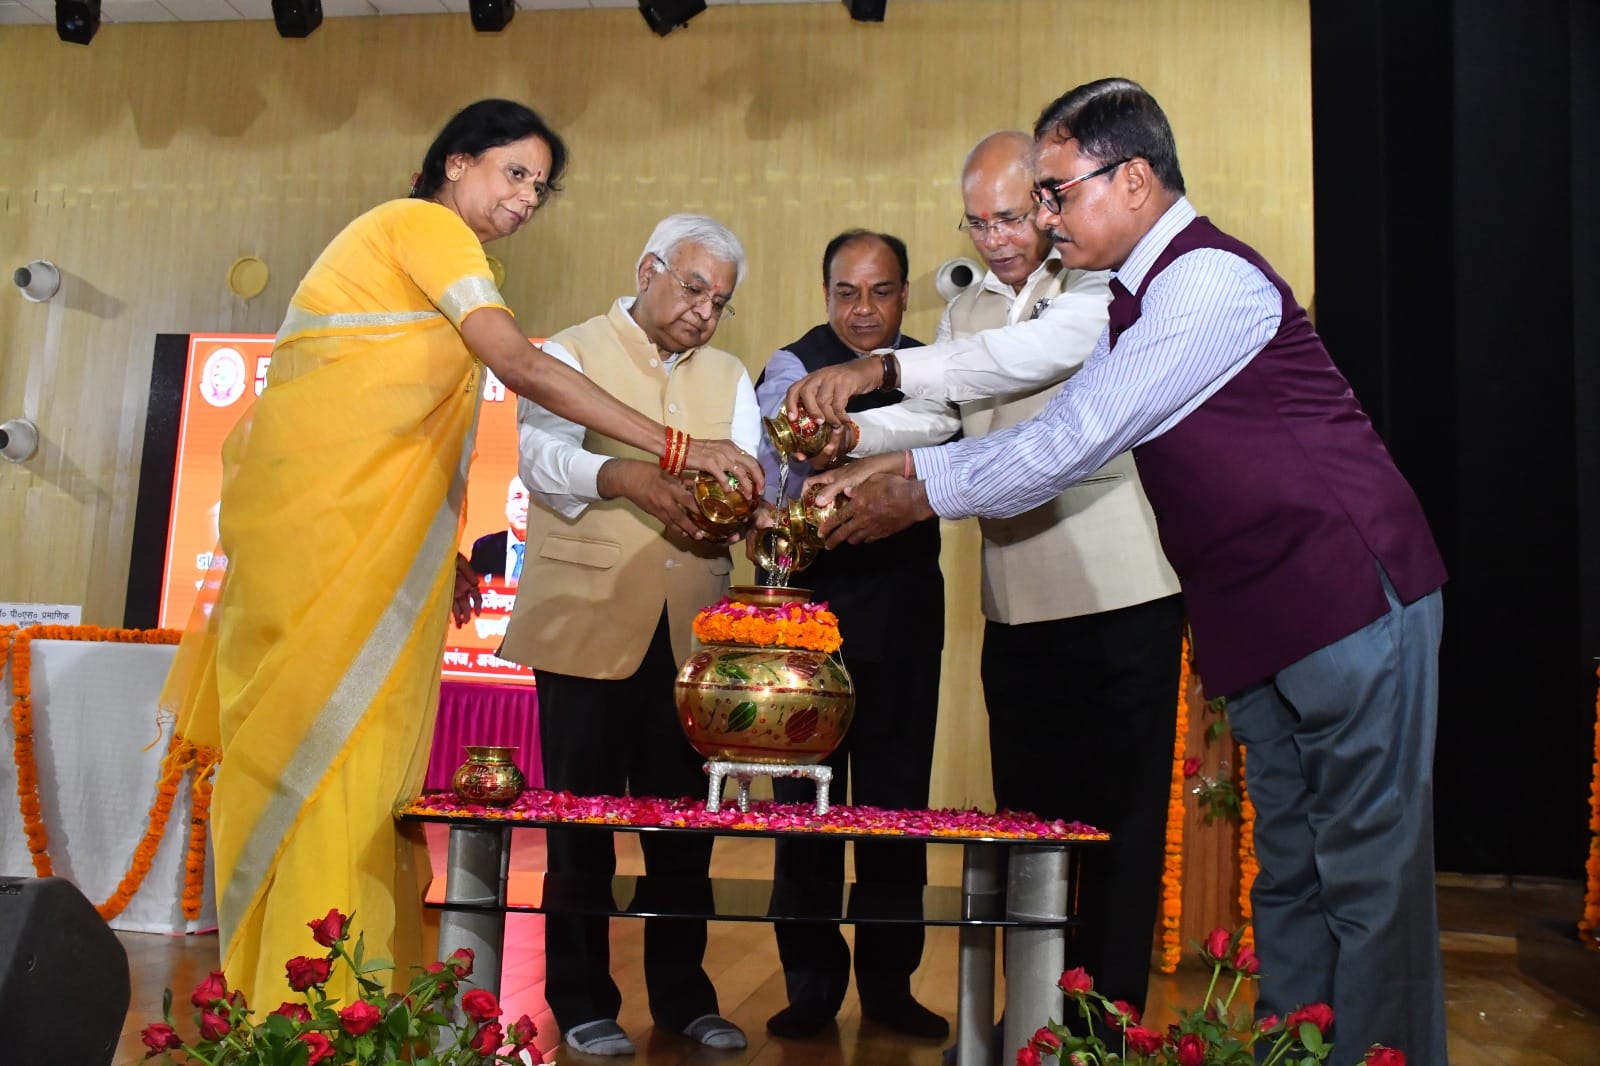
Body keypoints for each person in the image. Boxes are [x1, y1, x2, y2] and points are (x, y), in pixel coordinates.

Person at [797, 79, 1449, 1065]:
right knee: (1291, 875)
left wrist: (914, 489)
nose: (1045, 219)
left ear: (1133, 178)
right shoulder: (1135, 298)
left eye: (1055, 193)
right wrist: (892, 444)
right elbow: (1016, 387)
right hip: (1257, 620)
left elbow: (1072, 438)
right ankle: (1298, 1053)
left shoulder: (1205, 283)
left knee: (1364, 874)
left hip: (1347, 598)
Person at [159, 101, 761, 1010]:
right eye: (514, 173)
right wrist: (673, 453)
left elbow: (397, 426)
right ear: (453, 162)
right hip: (318, 541)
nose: (528, 198)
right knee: (312, 755)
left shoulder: (452, 257)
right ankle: (294, 999)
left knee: (361, 770)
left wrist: (428, 552)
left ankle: (338, 994)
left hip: (372, 548)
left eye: (540, 186)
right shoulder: (421, 227)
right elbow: (517, 368)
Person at [842, 131, 1183, 1041]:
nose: (994, 239)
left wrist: (878, 372)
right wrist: (851, 436)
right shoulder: (970, 307)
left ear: (1049, 200)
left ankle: (1102, 1034)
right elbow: (941, 412)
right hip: (1013, 602)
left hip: (1120, 594)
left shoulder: (1102, 287)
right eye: (977, 221)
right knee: (1030, 830)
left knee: (1116, 835)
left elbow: (1017, 365)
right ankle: (1031, 1022)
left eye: (1011, 215)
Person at [496, 214, 760, 1056]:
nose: (703, 314)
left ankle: (685, 997)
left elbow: (744, 479)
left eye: (719, 302)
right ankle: (580, 999)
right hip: (585, 618)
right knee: (580, 823)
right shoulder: (569, 350)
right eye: (691, 288)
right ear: (647, 268)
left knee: (684, 828)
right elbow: (538, 459)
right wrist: (625, 477)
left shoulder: (730, 375)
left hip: (693, 638)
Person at [752, 229, 950, 1042]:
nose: (863, 310)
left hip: (905, 605)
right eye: (846, 292)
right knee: (803, 804)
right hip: (810, 608)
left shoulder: (937, 367)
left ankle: (891, 984)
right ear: (825, 292)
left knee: (897, 803)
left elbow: (946, 432)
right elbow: (778, 451)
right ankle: (809, 983)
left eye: (881, 291)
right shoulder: (790, 365)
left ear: (905, 295)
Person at [469, 474, 529, 585]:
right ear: (507, 506)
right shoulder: (484, 547)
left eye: (532, 499)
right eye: (517, 497)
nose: (524, 506)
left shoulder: (553, 551)